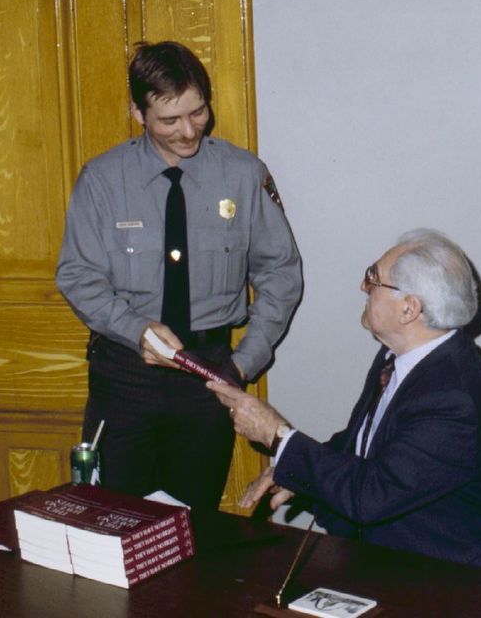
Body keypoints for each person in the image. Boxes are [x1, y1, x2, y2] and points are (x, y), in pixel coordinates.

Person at [56, 41, 302, 510]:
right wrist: (135, 328)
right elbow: (78, 275)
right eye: (170, 120)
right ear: (137, 112)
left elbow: (281, 273)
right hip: (125, 374)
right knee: (115, 518)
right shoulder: (103, 179)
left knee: (195, 523)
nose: (189, 131)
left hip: (210, 376)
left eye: (198, 113)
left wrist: (243, 363)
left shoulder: (243, 174)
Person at [207, 229, 481, 574]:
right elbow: (360, 444)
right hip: (390, 553)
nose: (363, 286)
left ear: (409, 309)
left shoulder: (452, 398)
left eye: (373, 277)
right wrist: (292, 470)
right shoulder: (399, 357)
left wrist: (277, 435)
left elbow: (371, 496)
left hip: (453, 575)